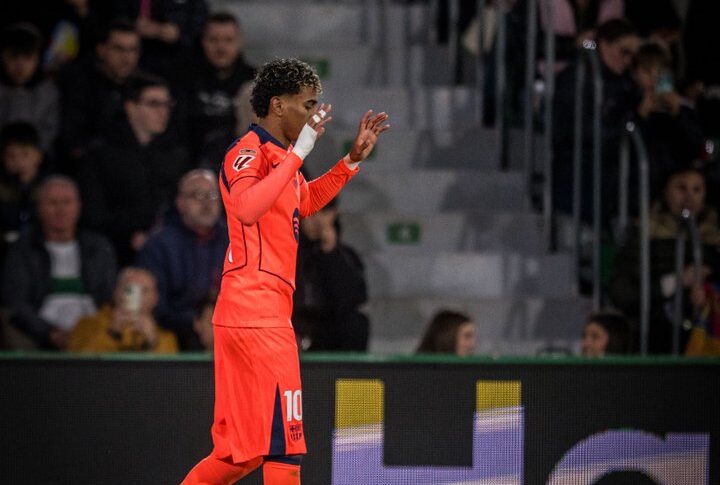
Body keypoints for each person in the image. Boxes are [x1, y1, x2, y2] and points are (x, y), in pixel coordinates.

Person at [182, 58, 389, 485]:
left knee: (239, 454)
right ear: (278, 105)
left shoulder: (281, 159)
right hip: (258, 315)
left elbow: (303, 202)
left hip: (250, 314)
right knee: (285, 446)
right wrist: (298, 155)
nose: (314, 115)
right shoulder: (247, 152)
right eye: (307, 105)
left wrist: (349, 162)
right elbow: (246, 208)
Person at [78, 72, 188, 266]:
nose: (163, 112)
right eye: (154, 104)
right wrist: (131, 233)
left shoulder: (175, 154)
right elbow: (93, 215)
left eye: (166, 104)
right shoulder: (101, 155)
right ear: (130, 107)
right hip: (114, 252)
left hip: (168, 249)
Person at [609, 166, 720, 353]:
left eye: (697, 189)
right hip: (654, 339)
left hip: (708, 345)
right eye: (681, 188)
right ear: (666, 192)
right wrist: (676, 282)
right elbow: (622, 294)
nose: (689, 197)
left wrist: (710, 295)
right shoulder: (644, 237)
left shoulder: (714, 241)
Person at [1, 176, 116, 349]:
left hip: (93, 331)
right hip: (38, 333)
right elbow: (16, 302)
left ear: (79, 207)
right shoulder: (23, 248)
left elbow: (108, 297)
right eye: (53, 203)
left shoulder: (98, 247)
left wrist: (90, 331)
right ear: (39, 208)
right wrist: (48, 333)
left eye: (67, 202)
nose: (61, 210)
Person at [552, 18, 640, 226]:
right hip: (578, 170)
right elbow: (581, 131)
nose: (628, 60)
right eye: (624, 51)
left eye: (633, 56)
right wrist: (623, 127)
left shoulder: (628, 84)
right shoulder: (576, 78)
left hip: (611, 173)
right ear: (604, 45)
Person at [137, 169, 227, 350]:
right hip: (174, 337)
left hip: (227, 330)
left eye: (212, 195)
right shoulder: (159, 244)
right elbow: (154, 305)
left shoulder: (235, 239)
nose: (207, 203)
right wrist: (195, 321)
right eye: (197, 195)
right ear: (180, 203)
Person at [58, 18, 142, 166]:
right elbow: (73, 140)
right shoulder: (80, 85)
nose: (127, 57)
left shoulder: (144, 87)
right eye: (119, 49)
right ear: (101, 50)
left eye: (132, 50)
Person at [178, 11, 255, 168]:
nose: (221, 47)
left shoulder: (255, 81)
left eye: (228, 40)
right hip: (191, 164)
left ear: (239, 42)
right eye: (213, 40)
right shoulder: (185, 79)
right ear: (203, 41)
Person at [293, 196, 369, 351]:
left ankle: (349, 368)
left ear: (334, 214)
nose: (317, 220)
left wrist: (330, 252)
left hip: (328, 330)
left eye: (324, 212)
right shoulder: (288, 253)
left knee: (356, 322)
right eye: (311, 212)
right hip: (294, 326)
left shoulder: (345, 255)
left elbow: (352, 300)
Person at [632, 42, 705, 200]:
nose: (654, 78)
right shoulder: (628, 106)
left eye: (660, 72)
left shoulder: (683, 109)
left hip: (675, 188)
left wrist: (678, 114)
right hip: (640, 186)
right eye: (647, 71)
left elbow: (694, 148)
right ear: (635, 74)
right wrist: (641, 115)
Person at [67, 267, 177, 353]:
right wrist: (112, 334)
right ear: (115, 293)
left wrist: (152, 341)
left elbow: (170, 372)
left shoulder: (165, 335)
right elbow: (77, 366)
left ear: (155, 298)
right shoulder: (87, 324)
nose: (137, 296)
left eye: (144, 290)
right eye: (130, 289)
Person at [0, 23, 60, 153]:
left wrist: (31, 155)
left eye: (28, 58)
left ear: (38, 59)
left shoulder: (48, 91)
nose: (20, 66)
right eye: (13, 57)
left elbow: (50, 130)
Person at [0, 123, 48, 258]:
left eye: (25, 154)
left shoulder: (50, 188)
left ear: (38, 155)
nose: (19, 162)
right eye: (11, 156)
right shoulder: (2, 190)